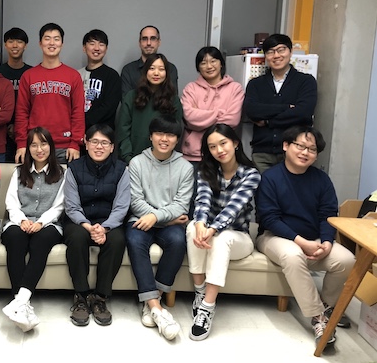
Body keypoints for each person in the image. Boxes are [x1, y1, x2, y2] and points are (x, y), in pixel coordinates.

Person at [256, 125, 356, 347]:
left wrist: (327, 242)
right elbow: (269, 218)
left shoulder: (321, 179)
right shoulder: (270, 177)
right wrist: (301, 242)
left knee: (347, 259)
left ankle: (327, 307)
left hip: (315, 238)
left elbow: (329, 214)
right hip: (274, 237)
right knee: (293, 255)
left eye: (311, 149)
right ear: (286, 146)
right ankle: (318, 318)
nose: (305, 152)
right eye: (300, 146)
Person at [186, 123, 260, 341]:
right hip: (211, 232)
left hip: (239, 237)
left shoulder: (251, 174)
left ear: (235, 143)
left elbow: (234, 208)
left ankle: (207, 307)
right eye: (212, 146)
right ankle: (200, 292)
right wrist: (200, 224)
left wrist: (212, 228)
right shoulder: (206, 171)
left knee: (222, 237)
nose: (219, 150)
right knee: (191, 227)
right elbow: (203, 200)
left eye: (223, 143)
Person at [126, 116, 193, 341]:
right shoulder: (137, 163)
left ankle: (152, 302)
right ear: (151, 136)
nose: (164, 139)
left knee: (178, 241)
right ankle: (156, 307)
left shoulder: (185, 167)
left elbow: (182, 205)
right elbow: (135, 201)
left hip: (162, 221)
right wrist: (165, 218)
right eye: (159, 134)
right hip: (141, 219)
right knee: (135, 241)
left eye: (170, 135)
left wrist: (155, 217)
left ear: (177, 139)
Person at [63, 124, 130, 326]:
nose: (99, 147)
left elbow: (122, 206)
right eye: (94, 142)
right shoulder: (73, 168)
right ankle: (81, 296)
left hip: (109, 221)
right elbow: (72, 206)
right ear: (86, 143)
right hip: (79, 221)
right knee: (76, 237)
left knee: (117, 240)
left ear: (112, 147)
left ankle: (100, 297)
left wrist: (105, 227)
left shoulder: (121, 170)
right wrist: (88, 226)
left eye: (104, 143)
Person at [1, 127, 65, 332]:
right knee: (15, 238)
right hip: (19, 221)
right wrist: (21, 220)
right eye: (34, 145)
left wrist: (41, 222)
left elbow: (59, 206)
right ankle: (22, 303)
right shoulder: (19, 172)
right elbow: (11, 202)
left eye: (43, 144)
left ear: (51, 147)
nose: (39, 149)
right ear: (28, 148)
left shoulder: (62, 173)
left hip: (49, 223)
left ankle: (20, 301)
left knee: (41, 240)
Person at [243, 33, 317, 173]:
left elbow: (303, 113)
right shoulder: (255, 84)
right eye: (270, 52)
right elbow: (251, 110)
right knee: (264, 187)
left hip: (296, 152)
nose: (276, 55)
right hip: (262, 153)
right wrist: (286, 108)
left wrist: (268, 121)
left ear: (290, 51)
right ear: (266, 56)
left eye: (281, 50)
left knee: (291, 187)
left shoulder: (306, 81)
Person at [14, 23, 85, 164]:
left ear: (62, 44)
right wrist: (21, 143)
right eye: (47, 38)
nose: (52, 43)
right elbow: (22, 112)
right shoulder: (28, 76)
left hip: (65, 147)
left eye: (56, 39)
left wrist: (75, 143)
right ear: (40, 43)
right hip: (36, 145)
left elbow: (78, 112)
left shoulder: (73, 76)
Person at [181, 46, 244, 164]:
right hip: (194, 155)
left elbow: (232, 120)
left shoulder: (235, 88)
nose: (209, 66)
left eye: (213, 61)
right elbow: (189, 117)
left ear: (221, 64)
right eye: (203, 63)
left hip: (223, 154)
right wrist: (219, 113)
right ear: (198, 67)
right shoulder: (191, 88)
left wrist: (201, 117)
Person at [117, 53, 183, 163]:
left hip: (163, 161)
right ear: (145, 71)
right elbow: (123, 131)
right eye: (152, 68)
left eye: (161, 69)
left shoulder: (173, 100)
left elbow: (175, 133)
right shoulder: (131, 96)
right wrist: (129, 158)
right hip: (133, 160)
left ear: (167, 73)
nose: (156, 73)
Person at [0, 27, 32, 162]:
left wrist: (19, 125)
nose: (15, 45)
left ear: (25, 46)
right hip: (0, 131)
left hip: (27, 131)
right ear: (5, 45)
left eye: (19, 42)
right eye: (11, 41)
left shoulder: (32, 73)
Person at [78, 29, 121, 130]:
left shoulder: (112, 76)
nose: (97, 48)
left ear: (106, 49)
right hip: (78, 131)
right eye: (92, 43)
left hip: (103, 133)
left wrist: (85, 122)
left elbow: (109, 107)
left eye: (101, 44)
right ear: (84, 48)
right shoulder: (76, 75)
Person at [120, 25, 178, 96]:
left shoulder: (170, 68)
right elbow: (127, 99)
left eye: (153, 38)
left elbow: (172, 98)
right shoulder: (128, 70)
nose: (148, 43)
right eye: (144, 39)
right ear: (139, 43)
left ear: (159, 42)